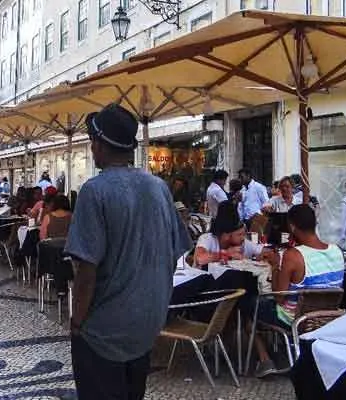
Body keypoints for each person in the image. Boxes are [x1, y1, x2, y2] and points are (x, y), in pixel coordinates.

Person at [64, 104, 191, 400]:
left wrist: (77, 321)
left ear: (99, 144)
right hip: (146, 326)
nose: (92, 147)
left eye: (93, 141)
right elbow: (173, 255)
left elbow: (86, 271)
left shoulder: (94, 191)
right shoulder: (159, 187)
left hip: (103, 332)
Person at [252, 204, 344, 377]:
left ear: (292, 227)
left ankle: (265, 360)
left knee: (249, 303)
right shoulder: (337, 251)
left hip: (295, 318)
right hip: (326, 316)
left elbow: (279, 298)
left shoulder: (293, 256)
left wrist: (274, 265)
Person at [193, 202, 269, 266]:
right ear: (226, 235)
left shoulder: (243, 243)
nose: (243, 238)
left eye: (244, 234)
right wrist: (227, 253)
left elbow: (265, 251)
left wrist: (263, 256)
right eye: (239, 235)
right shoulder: (207, 238)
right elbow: (200, 259)